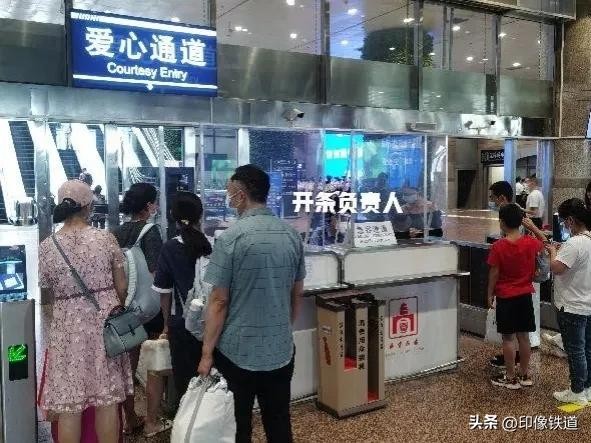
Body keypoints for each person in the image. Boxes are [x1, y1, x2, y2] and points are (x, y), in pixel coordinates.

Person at [198, 165, 306, 443]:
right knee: (278, 421)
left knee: (237, 425)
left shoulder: (230, 238)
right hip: (281, 349)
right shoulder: (291, 235)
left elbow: (219, 301)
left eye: (230, 193)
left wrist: (206, 354)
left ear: (241, 195)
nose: (228, 198)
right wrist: (283, 328)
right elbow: (297, 293)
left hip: (237, 351)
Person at [38, 180, 132, 442]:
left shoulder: (47, 246)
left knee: (70, 404)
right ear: (88, 206)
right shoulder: (105, 239)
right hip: (104, 325)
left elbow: (47, 290)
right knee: (107, 400)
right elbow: (122, 286)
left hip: (67, 327)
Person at [112, 183, 170, 438]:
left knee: (127, 366)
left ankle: (130, 419)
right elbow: (157, 272)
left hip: (125, 306)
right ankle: (151, 421)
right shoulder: (151, 231)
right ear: (148, 206)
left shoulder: (117, 232)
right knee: (154, 363)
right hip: (150, 307)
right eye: (154, 201)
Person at [152, 192, 212, 398]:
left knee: (185, 384)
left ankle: (186, 416)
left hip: (182, 324)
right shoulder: (212, 245)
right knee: (211, 382)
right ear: (200, 215)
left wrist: (166, 325)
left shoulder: (170, 248)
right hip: (213, 322)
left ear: (173, 216)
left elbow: (164, 292)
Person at [487, 204, 546, 389]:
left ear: (502, 223)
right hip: (525, 296)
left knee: (508, 339)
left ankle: (511, 377)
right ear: (521, 222)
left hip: (505, 297)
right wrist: (534, 228)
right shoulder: (530, 243)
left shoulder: (498, 246)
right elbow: (545, 242)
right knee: (524, 337)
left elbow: (494, 273)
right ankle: (525, 375)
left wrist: (489, 294)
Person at [546, 198, 591, 405]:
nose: (564, 225)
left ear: (571, 220)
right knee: (587, 349)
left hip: (572, 305)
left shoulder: (574, 243)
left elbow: (556, 268)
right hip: (587, 304)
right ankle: (587, 388)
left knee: (575, 351)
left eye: (564, 221)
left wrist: (552, 252)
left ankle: (576, 392)